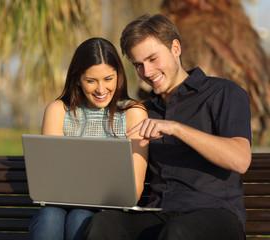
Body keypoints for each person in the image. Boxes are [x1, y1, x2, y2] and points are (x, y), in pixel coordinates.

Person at [81, 14, 252, 240]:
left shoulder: (223, 93)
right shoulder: (143, 111)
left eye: (153, 59)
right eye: (139, 65)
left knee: (177, 232)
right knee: (103, 224)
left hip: (216, 214)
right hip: (159, 213)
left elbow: (240, 159)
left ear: (175, 48)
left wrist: (175, 128)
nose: (147, 73)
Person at [28, 37, 149, 240]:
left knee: (80, 217)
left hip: (106, 210)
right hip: (59, 205)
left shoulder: (133, 112)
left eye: (108, 79)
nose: (101, 90)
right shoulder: (58, 110)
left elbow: (134, 189)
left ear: (119, 76)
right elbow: (50, 180)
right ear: (77, 79)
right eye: (91, 81)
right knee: (50, 216)